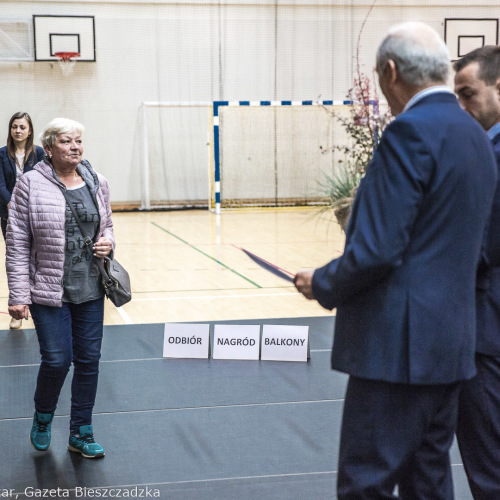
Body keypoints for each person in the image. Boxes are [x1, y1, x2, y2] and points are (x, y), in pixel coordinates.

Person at [294, 22, 498, 499]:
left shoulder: (409, 132)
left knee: (367, 481)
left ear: (389, 73)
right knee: (429, 481)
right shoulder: (477, 138)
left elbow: (378, 250)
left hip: (397, 350)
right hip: (454, 345)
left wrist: (321, 281)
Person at [6, 117, 115, 459]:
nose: (75, 147)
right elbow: (18, 242)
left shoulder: (97, 181)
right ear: (49, 148)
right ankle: (42, 418)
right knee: (56, 360)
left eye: (79, 141)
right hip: (47, 289)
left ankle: (81, 432)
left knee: (88, 360)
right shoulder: (29, 184)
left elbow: (107, 224)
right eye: (67, 142)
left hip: (90, 287)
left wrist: (107, 242)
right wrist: (18, 295)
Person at [453, 46, 500, 500]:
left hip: (486, 328)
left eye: (469, 94)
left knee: (490, 470)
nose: (462, 107)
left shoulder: (491, 157)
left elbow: (480, 248)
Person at [0, 112, 45, 329]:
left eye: (22, 127)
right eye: (14, 126)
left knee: (37, 261)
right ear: (10, 129)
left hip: (35, 215)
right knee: (16, 263)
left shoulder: (39, 153)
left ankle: (39, 309)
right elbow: (0, 185)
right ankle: (17, 312)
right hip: (9, 215)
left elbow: (45, 181)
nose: (18, 130)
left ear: (29, 131)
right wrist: (13, 204)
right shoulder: (1, 154)